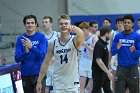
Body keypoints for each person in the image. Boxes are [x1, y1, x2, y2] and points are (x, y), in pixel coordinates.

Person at [36, 14, 85, 93]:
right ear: (58, 26)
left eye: (66, 24)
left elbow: (82, 35)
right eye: (61, 24)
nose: (63, 25)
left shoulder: (75, 40)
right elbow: (45, 63)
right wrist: (39, 81)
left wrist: (74, 28)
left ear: (70, 25)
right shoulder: (53, 43)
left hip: (73, 83)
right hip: (58, 83)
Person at [15, 15, 48, 93]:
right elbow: (17, 59)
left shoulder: (41, 37)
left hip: (39, 75)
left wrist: (31, 47)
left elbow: (42, 55)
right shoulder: (20, 39)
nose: (30, 25)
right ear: (24, 24)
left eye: (32, 23)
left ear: (36, 24)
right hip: (25, 75)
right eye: (28, 23)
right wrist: (26, 52)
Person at [111, 14, 140, 93]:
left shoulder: (137, 36)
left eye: (128, 22)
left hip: (133, 68)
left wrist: (134, 51)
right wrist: (117, 48)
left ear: (132, 24)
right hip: (121, 68)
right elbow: (112, 52)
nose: (126, 24)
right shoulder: (118, 36)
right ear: (123, 24)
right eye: (125, 22)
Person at [92, 26, 113, 93]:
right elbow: (99, 61)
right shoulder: (99, 45)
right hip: (98, 73)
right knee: (96, 90)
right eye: (110, 34)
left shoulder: (104, 44)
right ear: (106, 33)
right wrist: (108, 72)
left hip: (104, 72)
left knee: (108, 90)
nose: (110, 36)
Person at [78, 22, 98, 93]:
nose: (82, 32)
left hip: (91, 63)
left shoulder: (94, 37)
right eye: (80, 30)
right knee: (81, 86)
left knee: (90, 88)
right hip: (82, 63)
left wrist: (85, 45)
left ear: (88, 29)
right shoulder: (79, 38)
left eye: (83, 30)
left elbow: (95, 51)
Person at [42, 16, 58, 93]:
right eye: (43, 22)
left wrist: (54, 57)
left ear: (51, 24)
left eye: (46, 22)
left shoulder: (57, 35)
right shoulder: (40, 36)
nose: (44, 24)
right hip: (45, 65)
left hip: (56, 66)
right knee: (46, 87)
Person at [110, 16, 124, 92]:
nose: (120, 24)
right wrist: (109, 60)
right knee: (114, 77)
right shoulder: (113, 33)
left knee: (125, 78)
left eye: (121, 23)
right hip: (114, 56)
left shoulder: (128, 33)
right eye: (118, 23)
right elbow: (110, 48)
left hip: (125, 57)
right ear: (116, 25)